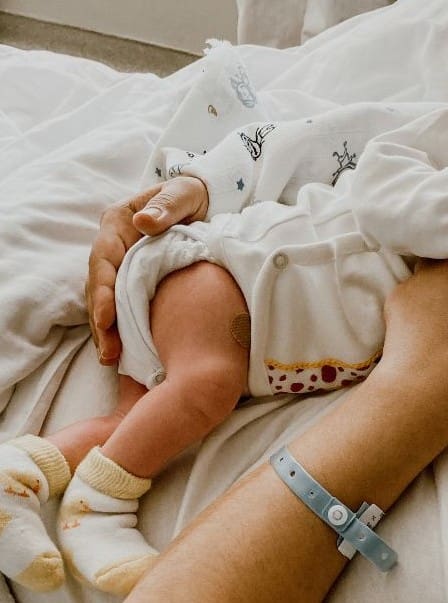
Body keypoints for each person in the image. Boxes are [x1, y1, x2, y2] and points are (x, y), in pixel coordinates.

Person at [0, 107, 447, 598]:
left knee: (134, 423)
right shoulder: (416, 165)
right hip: (223, 273)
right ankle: (99, 508)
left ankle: (20, 474)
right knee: (206, 386)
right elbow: (381, 176)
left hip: (243, 325)